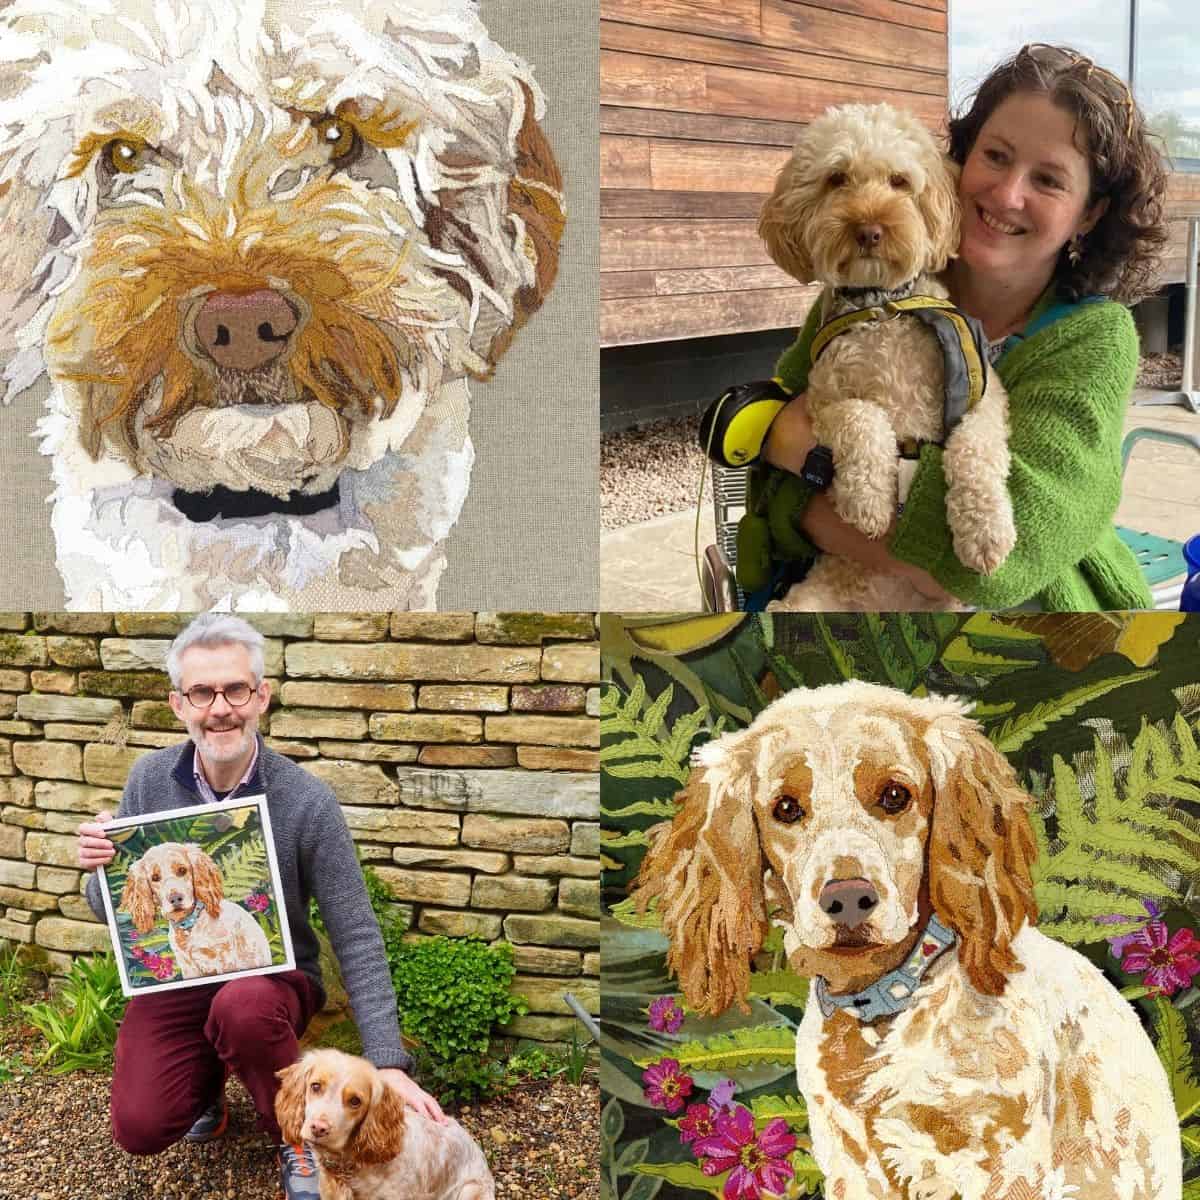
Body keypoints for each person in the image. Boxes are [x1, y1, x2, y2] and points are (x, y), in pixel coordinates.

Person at [757, 43, 1169, 610]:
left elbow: (1002, 570)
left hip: (1040, 627)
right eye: (996, 156)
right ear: (961, 161)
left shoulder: (1094, 338)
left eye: (1048, 180)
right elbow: (770, 498)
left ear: (1090, 213)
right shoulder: (866, 290)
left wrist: (808, 458)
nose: (1007, 195)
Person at [77, 614, 445, 1199]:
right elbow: (110, 910)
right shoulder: (147, 779)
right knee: (139, 1127)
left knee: (243, 1006)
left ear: (262, 697)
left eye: (235, 689)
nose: (219, 707)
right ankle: (207, 1092)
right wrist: (99, 864)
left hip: (270, 983)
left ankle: (298, 1140)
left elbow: (355, 930)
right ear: (178, 704)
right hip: (176, 982)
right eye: (202, 692)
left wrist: (387, 1061)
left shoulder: (307, 799)